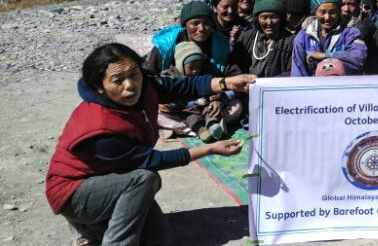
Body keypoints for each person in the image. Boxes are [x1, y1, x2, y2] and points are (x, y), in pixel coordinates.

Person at [47, 43, 254, 245]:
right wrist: (209, 149)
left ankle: (95, 227)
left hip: (113, 175)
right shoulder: (99, 126)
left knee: (158, 239)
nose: (130, 85)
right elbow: (151, 160)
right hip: (74, 193)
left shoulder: (146, 87)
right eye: (118, 80)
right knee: (144, 179)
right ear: (99, 87)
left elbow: (185, 86)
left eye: (134, 74)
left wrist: (227, 83)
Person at [158, 42, 243, 142]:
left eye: (198, 67)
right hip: (184, 112)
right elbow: (163, 100)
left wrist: (217, 100)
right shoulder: (170, 77)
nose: (195, 71)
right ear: (181, 64)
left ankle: (213, 125)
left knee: (235, 105)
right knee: (158, 116)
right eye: (190, 67)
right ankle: (202, 131)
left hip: (204, 106)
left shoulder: (206, 73)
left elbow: (217, 90)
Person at [291, 0, 368, 76]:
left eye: (332, 12)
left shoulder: (351, 33)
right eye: (322, 12)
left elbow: (358, 59)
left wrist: (327, 55)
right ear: (315, 12)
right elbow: (298, 71)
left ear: (339, 12)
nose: (327, 17)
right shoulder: (304, 36)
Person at [147, 1, 231, 74]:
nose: (201, 28)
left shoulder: (221, 44)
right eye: (195, 23)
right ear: (185, 25)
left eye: (206, 23)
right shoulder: (165, 46)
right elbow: (150, 76)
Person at [230, 0, 294, 78]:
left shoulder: (290, 41)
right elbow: (234, 64)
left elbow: (292, 71)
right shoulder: (246, 37)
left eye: (274, 17)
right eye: (264, 17)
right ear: (257, 19)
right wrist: (243, 79)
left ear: (282, 19)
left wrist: (267, 83)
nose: (269, 22)